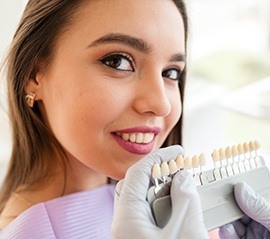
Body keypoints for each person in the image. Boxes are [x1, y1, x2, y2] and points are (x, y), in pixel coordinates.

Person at [0, 0, 268, 238]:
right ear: (34, 76)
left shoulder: (163, 209)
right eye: (118, 61)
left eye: (171, 73)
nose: (161, 104)